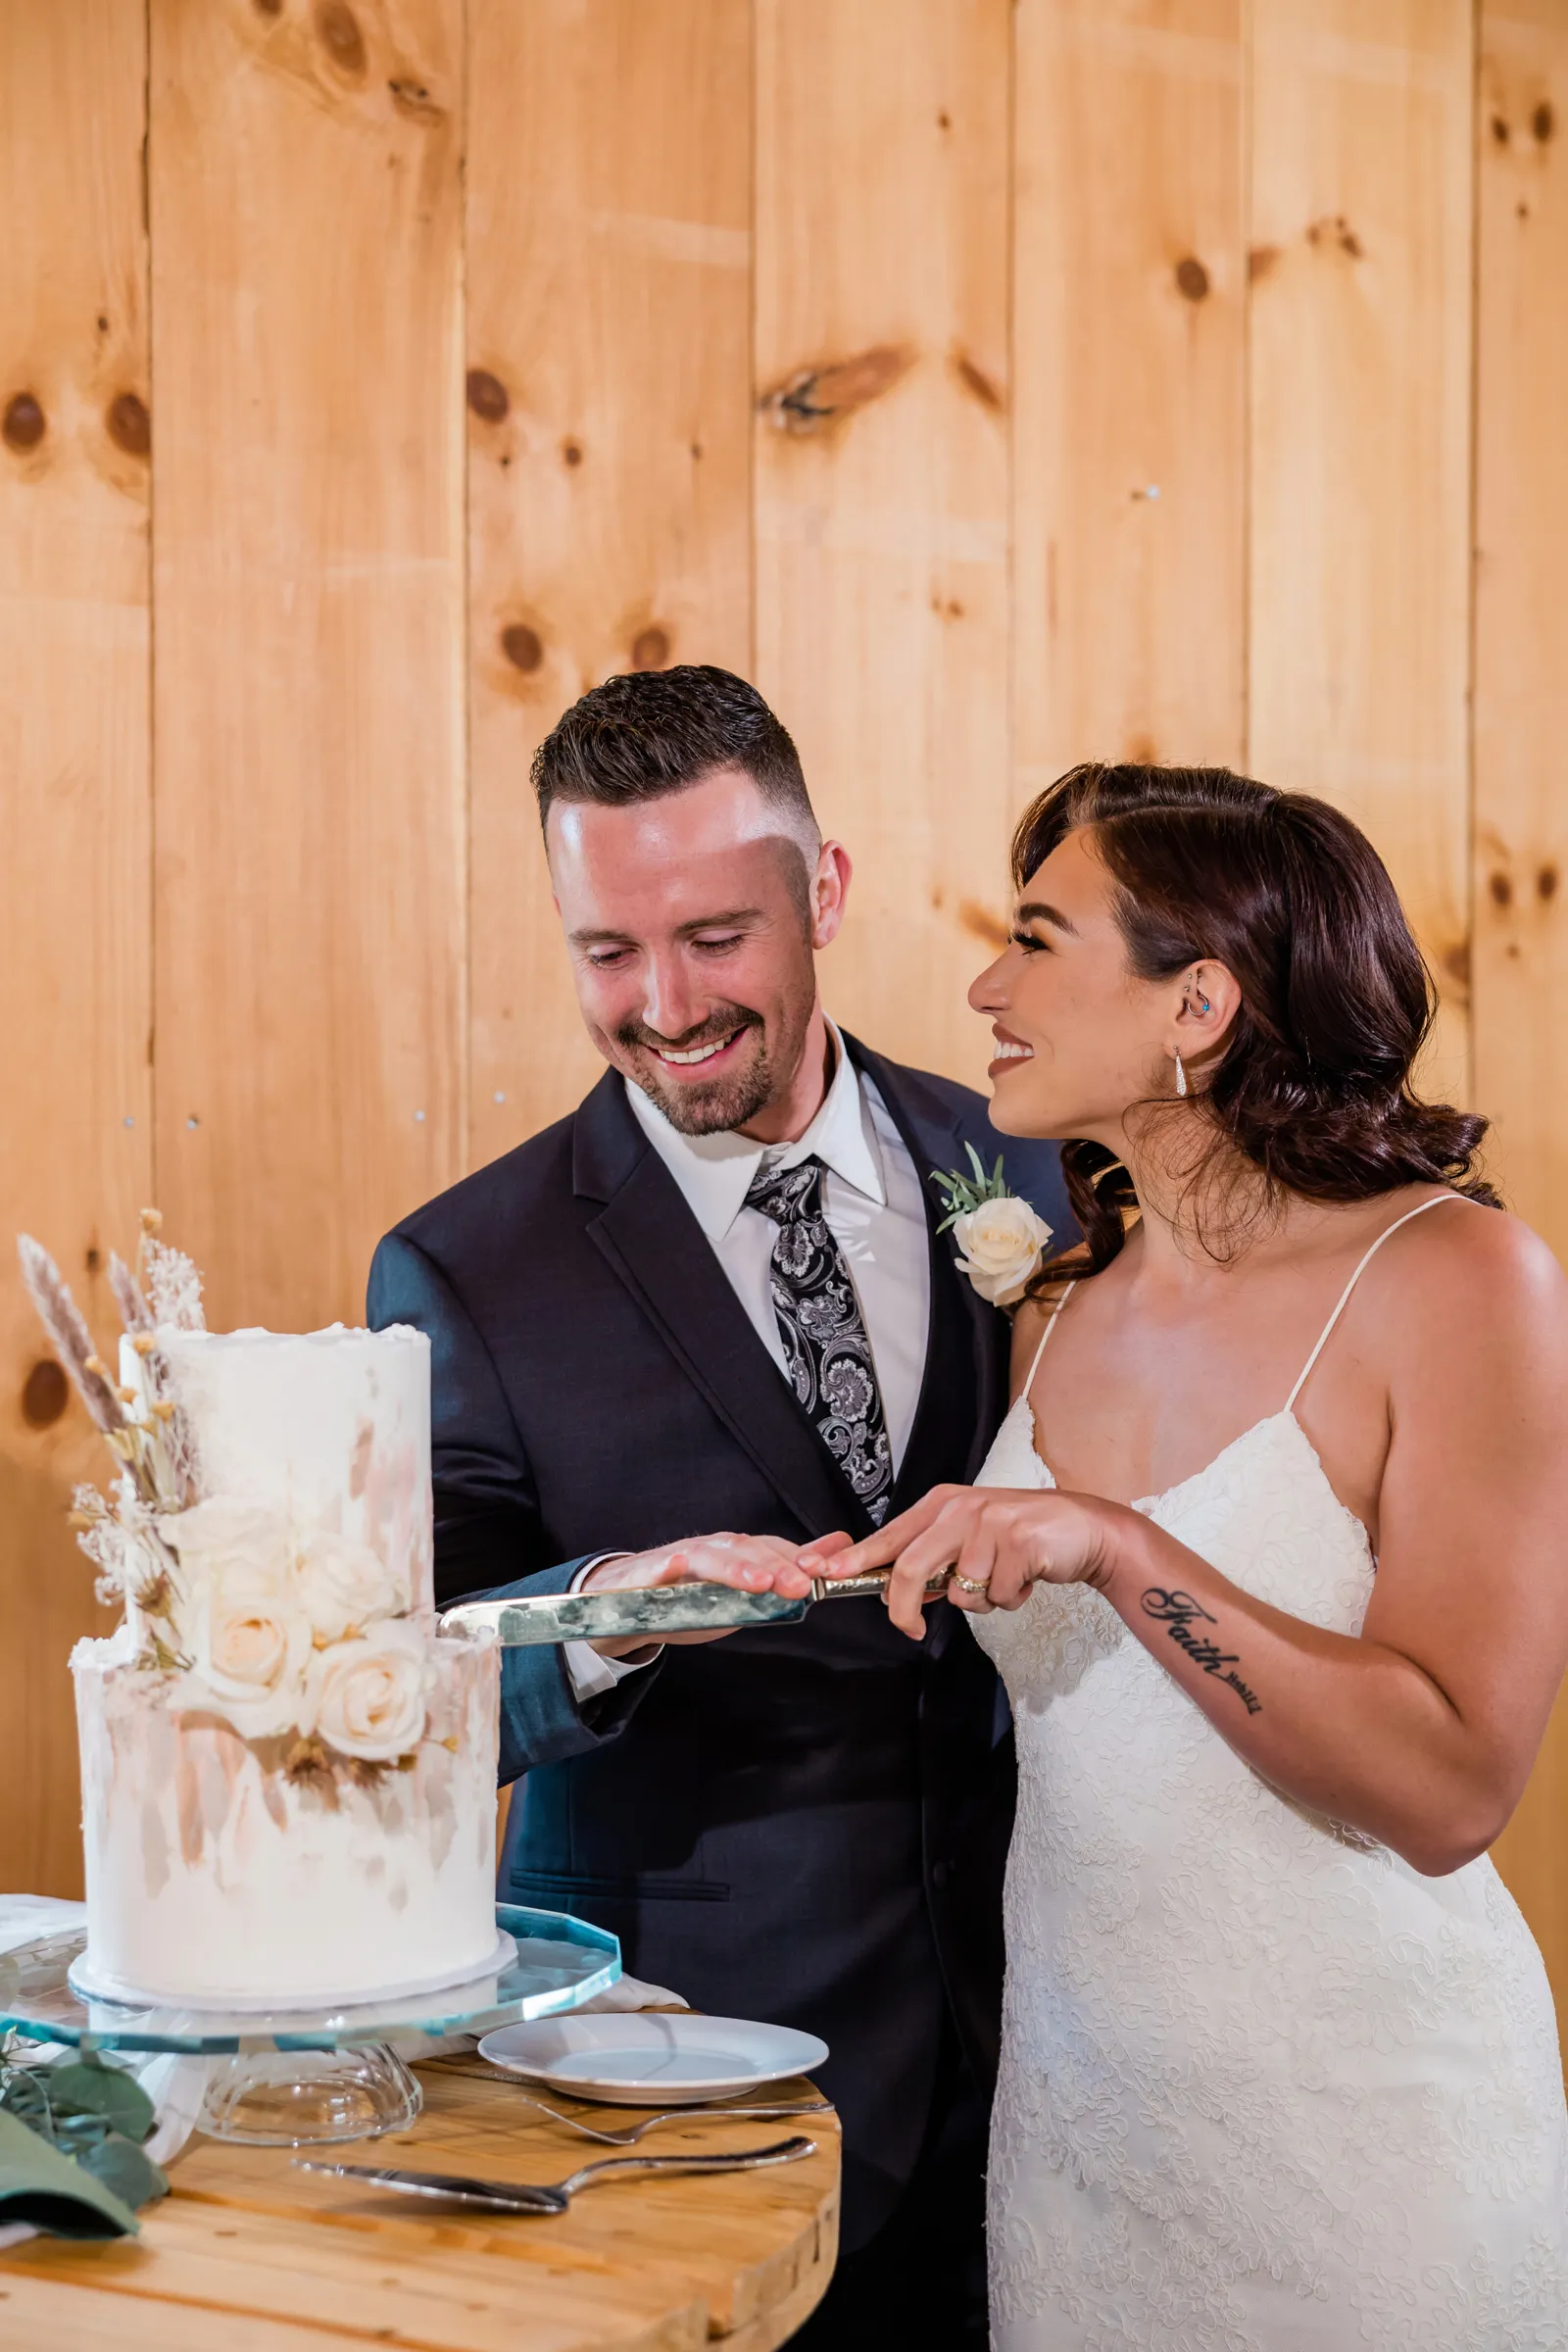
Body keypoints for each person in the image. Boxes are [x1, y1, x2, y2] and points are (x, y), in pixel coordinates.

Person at [808, 761, 1568, 2347]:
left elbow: (1451, 1792)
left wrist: (1118, 1548)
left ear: (1198, 1003)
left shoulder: (1459, 1280)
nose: (984, 985)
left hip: (1367, 2153)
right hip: (1085, 2148)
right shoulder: (1063, 1302)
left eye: (1037, 937)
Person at [367, 666, 1069, 2347]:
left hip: (1052, 2047)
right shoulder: (467, 1267)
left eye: (715, 938)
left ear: (821, 891)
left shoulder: (1038, 1170)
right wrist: (610, 1605)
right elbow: (415, 1683)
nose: (666, 1003)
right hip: (686, 2075)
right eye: (609, 952)